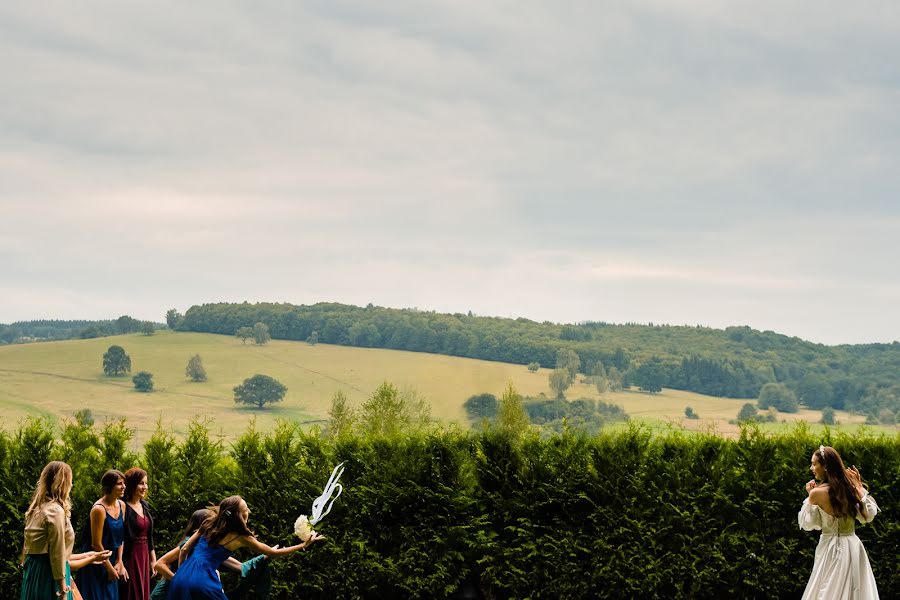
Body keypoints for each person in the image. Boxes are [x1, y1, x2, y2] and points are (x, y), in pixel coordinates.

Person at [168, 496, 324, 599]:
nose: (249, 511)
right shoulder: (240, 537)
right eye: (246, 509)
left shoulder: (208, 523)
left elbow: (184, 550)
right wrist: (303, 545)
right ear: (240, 515)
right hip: (204, 579)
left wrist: (182, 573)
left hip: (183, 574)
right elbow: (273, 552)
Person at [799, 445, 880, 599]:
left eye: (814, 464)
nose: (811, 468)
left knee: (826, 586)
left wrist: (811, 498)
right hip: (852, 545)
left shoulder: (816, 493)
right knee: (853, 590)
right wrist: (858, 487)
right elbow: (868, 515)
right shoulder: (849, 490)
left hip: (828, 547)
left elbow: (809, 525)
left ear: (826, 467)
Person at [20, 461, 110, 600]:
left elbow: (48, 554)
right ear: (63, 483)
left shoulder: (37, 509)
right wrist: (63, 590)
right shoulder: (55, 511)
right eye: (70, 481)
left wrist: (89, 556)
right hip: (49, 576)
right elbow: (56, 555)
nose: (71, 485)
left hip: (34, 573)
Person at [77, 470, 128, 600]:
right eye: (119, 484)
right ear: (109, 487)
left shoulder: (122, 505)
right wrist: (109, 568)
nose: (124, 487)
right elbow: (96, 544)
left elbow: (120, 537)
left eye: (124, 483)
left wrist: (119, 561)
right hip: (95, 561)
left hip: (111, 560)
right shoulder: (99, 510)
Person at [120, 468, 156, 600]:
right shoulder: (123, 506)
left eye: (146, 484)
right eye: (141, 483)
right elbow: (120, 537)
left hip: (144, 555)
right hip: (130, 556)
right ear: (132, 484)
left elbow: (149, 535)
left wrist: (153, 560)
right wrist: (120, 562)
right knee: (131, 591)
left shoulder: (144, 505)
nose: (145, 487)